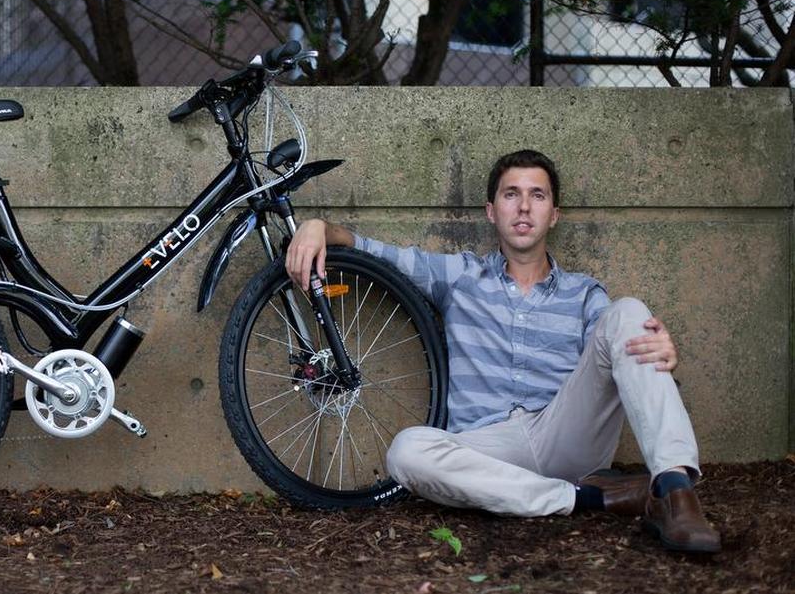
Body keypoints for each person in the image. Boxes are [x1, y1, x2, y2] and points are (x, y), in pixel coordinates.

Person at [284, 149, 720, 553]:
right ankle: (588, 498)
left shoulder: (584, 293)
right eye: (512, 194)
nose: (524, 207)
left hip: (563, 431)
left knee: (629, 313)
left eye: (537, 195)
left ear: (554, 214)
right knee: (407, 451)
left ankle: (674, 491)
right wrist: (317, 227)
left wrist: (657, 348)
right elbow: (372, 250)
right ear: (492, 212)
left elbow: (617, 358)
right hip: (487, 446)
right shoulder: (460, 277)